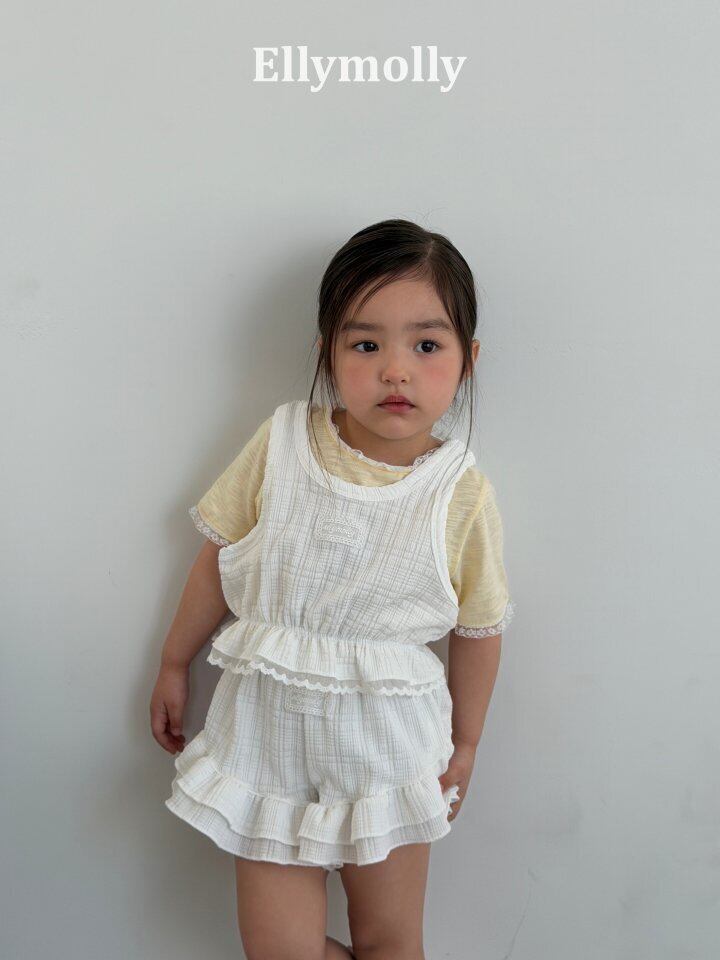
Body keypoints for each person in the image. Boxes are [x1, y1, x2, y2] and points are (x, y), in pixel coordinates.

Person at [150, 218, 515, 960]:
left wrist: (468, 742)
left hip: (390, 752)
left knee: (390, 943)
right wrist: (173, 662)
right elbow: (219, 559)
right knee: (277, 948)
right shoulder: (281, 444)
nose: (395, 371)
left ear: (467, 360)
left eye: (426, 345)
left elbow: (479, 629)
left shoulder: (460, 493)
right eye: (366, 345)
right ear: (328, 353)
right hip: (267, 748)